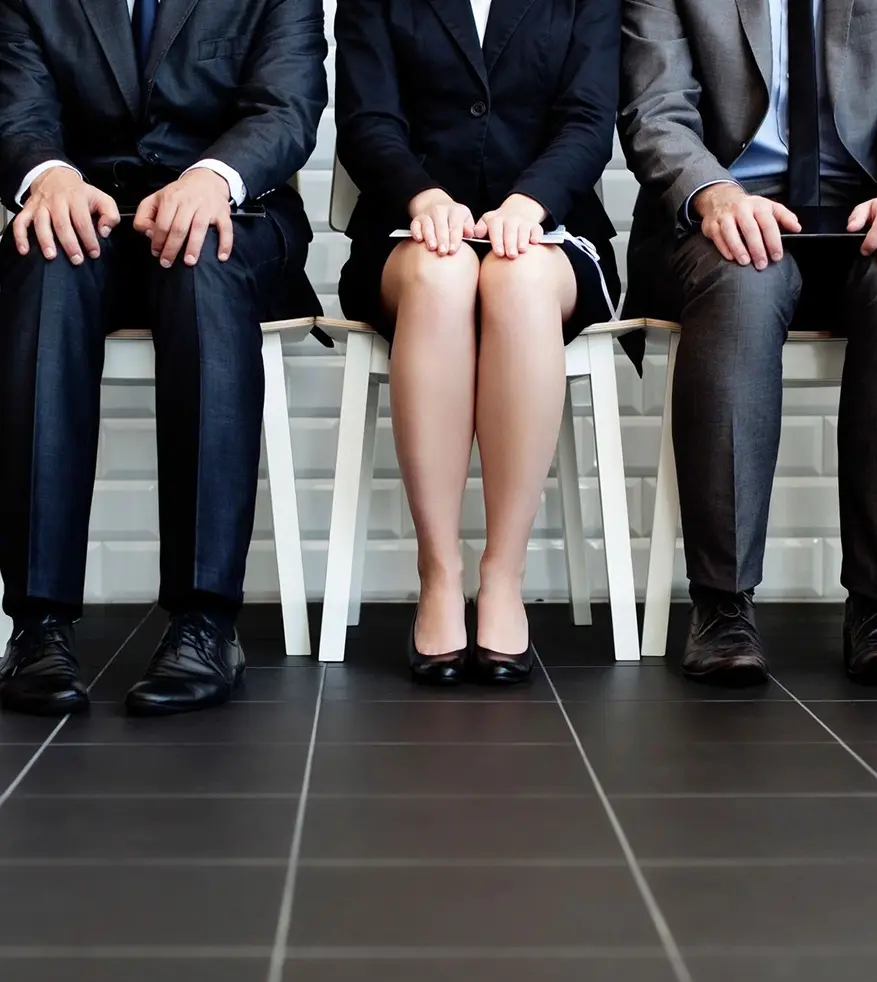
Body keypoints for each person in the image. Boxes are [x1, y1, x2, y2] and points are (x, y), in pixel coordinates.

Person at [0, 0, 328, 717]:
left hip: (231, 216)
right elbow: (17, 110)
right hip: (87, 216)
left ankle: (204, 623)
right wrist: (48, 176)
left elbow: (287, 108)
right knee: (45, 263)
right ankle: (37, 626)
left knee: (200, 262)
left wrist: (211, 177)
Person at [619, 0, 877, 686]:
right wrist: (713, 193)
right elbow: (656, 111)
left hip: (875, 212)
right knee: (744, 279)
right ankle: (722, 604)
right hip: (725, 218)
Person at [335, 0, 621, 685]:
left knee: (516, 280)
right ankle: (439, 572)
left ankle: (502, 573)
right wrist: (423, 197)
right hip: (410, 232)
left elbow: (589, 120)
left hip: (548, 231)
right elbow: (366, 120)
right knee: (443, 276)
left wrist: (531, 201)